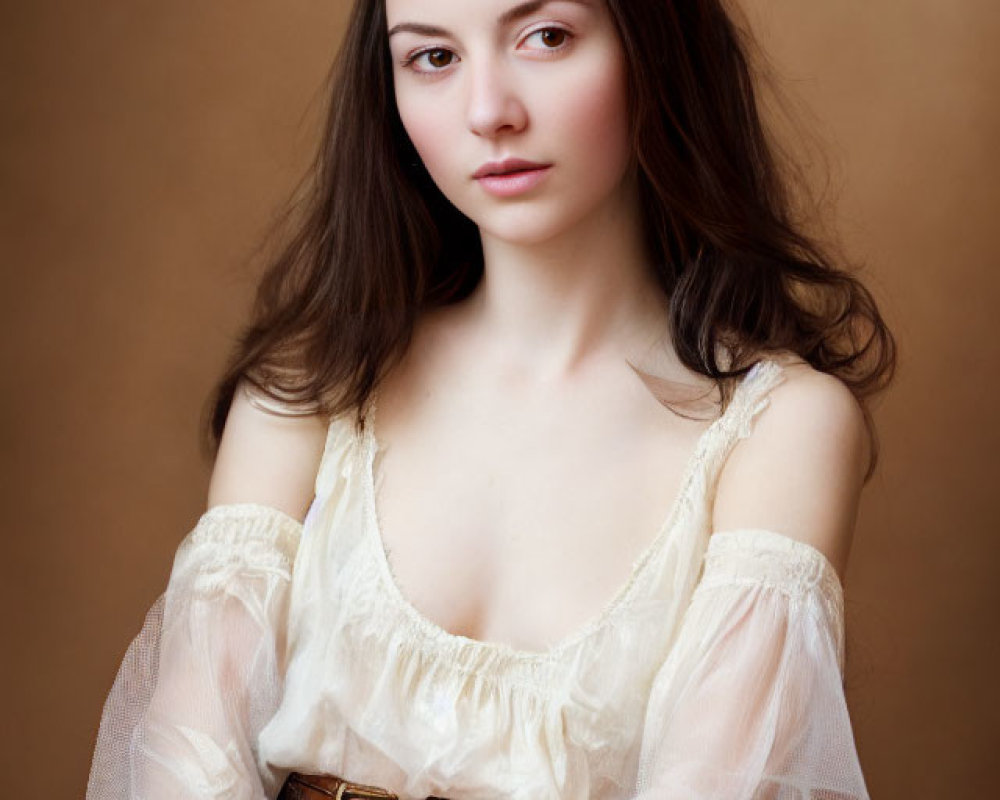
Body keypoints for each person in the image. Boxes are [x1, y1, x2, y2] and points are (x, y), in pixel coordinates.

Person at [86, 0, 896, 797]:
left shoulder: (776, 425)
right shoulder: (308, 392)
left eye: (545, 37)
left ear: (656, 44)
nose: (488, 112)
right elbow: (183, 771)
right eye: (433, 56)